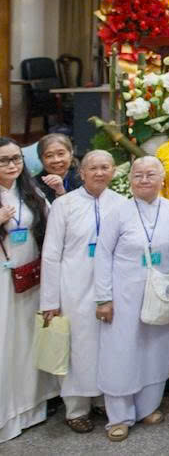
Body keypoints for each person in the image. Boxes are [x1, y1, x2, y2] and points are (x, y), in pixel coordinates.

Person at [93, 157, 169, 442]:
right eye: (138, 175)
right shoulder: (118, 212)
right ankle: (119, 417)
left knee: (156, 350)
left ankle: (148, 407)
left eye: (150, 175)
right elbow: (102, 255)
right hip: (123, 294)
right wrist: (103, 298)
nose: (144, 180)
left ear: (162, 179)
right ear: (130, 180)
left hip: (162, 292)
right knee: (121, 353)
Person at [39, 150, 121, 433]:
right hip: (72, 287)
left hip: (110, 287)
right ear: (82, 172)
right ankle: (76, 408)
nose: (99, 173)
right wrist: (50, 300)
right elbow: (51, 254)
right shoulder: (64, 204)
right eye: (93, 168)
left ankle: (102, 399)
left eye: (105, 167)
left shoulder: (121, 204)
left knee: (106, 345)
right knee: (77, 347)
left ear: (114, 171)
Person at [0, 137, 56, 442]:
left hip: (30, 277)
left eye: (16, 159)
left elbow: (52, 223)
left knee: (28, 341)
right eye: (4, 160)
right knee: (5, 342)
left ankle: (31, 407)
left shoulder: (30, 191)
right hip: (3, 280)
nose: (12, 165)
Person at [34, 132, 80, 202]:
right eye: (49, 156)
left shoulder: (83, 178)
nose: (56, 160)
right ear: (41, 159)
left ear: (71, 154)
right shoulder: (34, 184)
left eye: (61, 154)